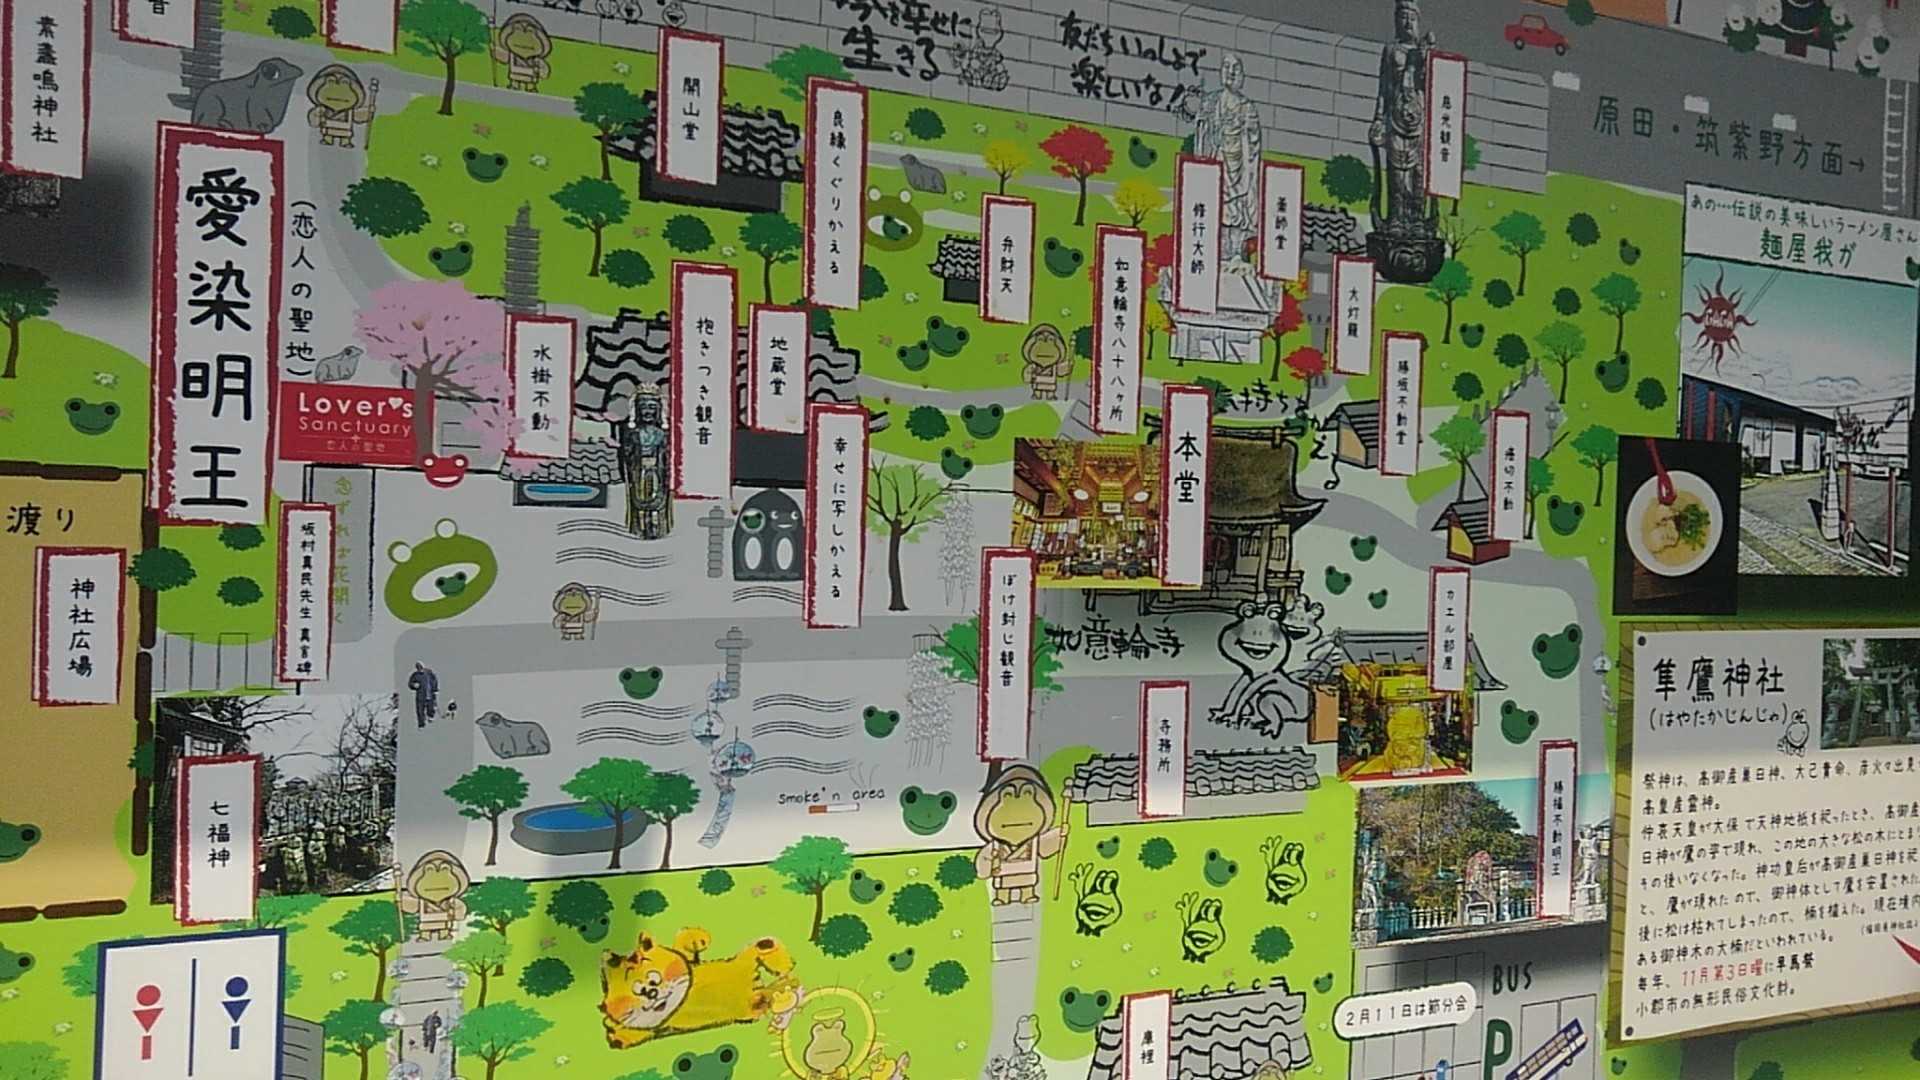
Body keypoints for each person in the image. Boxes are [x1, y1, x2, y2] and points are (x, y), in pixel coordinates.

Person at [408, 662, 439, 729]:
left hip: (430, 694)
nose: (420, 669)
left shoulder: (429, 673)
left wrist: (435, 690)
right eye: (418, 668)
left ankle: (430, 716)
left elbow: (435, 680)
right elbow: (410, 683)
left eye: (421, 668)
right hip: (420, 695)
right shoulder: (415, 675)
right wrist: (414, 685)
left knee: (431, 707)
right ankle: (421, 724)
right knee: (420, 710)